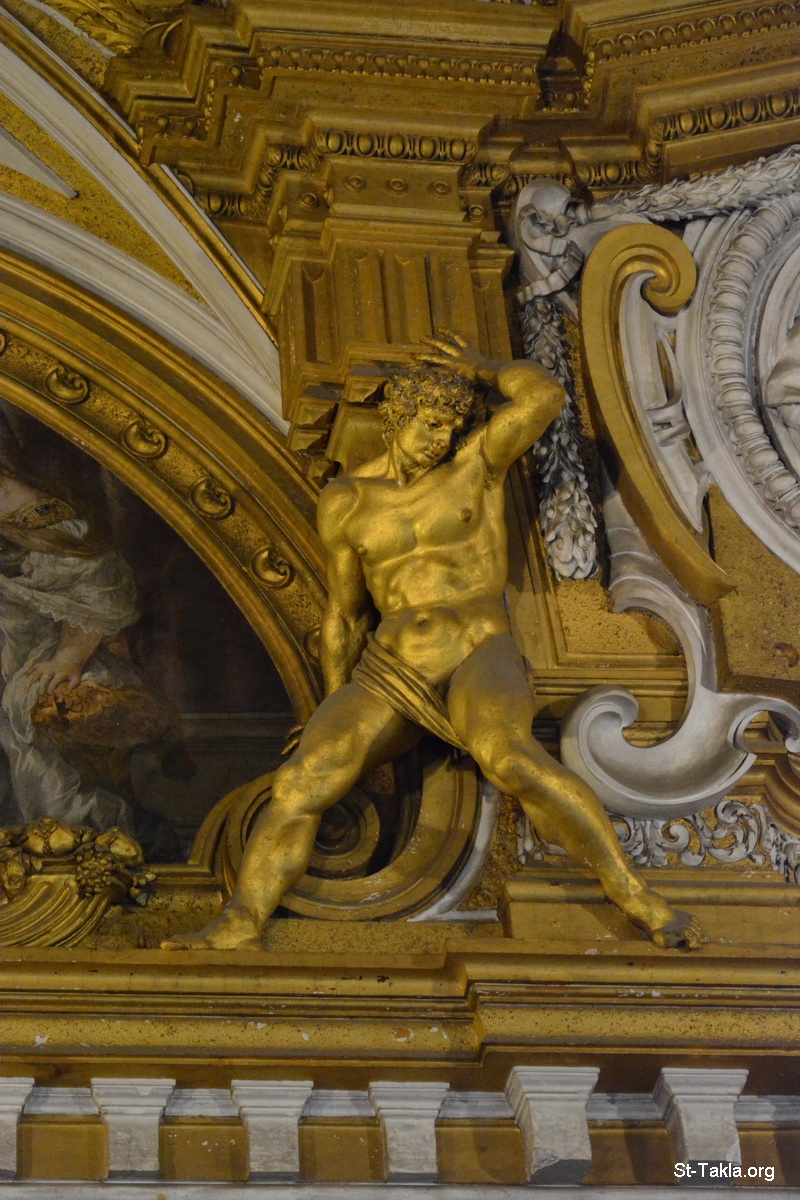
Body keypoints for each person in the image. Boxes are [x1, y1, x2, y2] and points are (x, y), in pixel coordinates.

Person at [163, 332, 704, 951]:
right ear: (398, 419)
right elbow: (346, 614)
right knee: (302, 779)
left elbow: (545, 397)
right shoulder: (346, 503)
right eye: (429, 424)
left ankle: (634, 893)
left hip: (477, 650)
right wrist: (330, 705)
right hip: (390, 668)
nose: (440, 439)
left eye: (449, 426)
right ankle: (242, 919)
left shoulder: (474, 468)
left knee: (508, 756)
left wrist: (485, 368)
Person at [0, 463, 142, 831]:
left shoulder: (19, 499)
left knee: (26, 703)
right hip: (9, 641)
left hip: (40, 648)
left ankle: (70, 836)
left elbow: (92, 581)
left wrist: (70, 656)